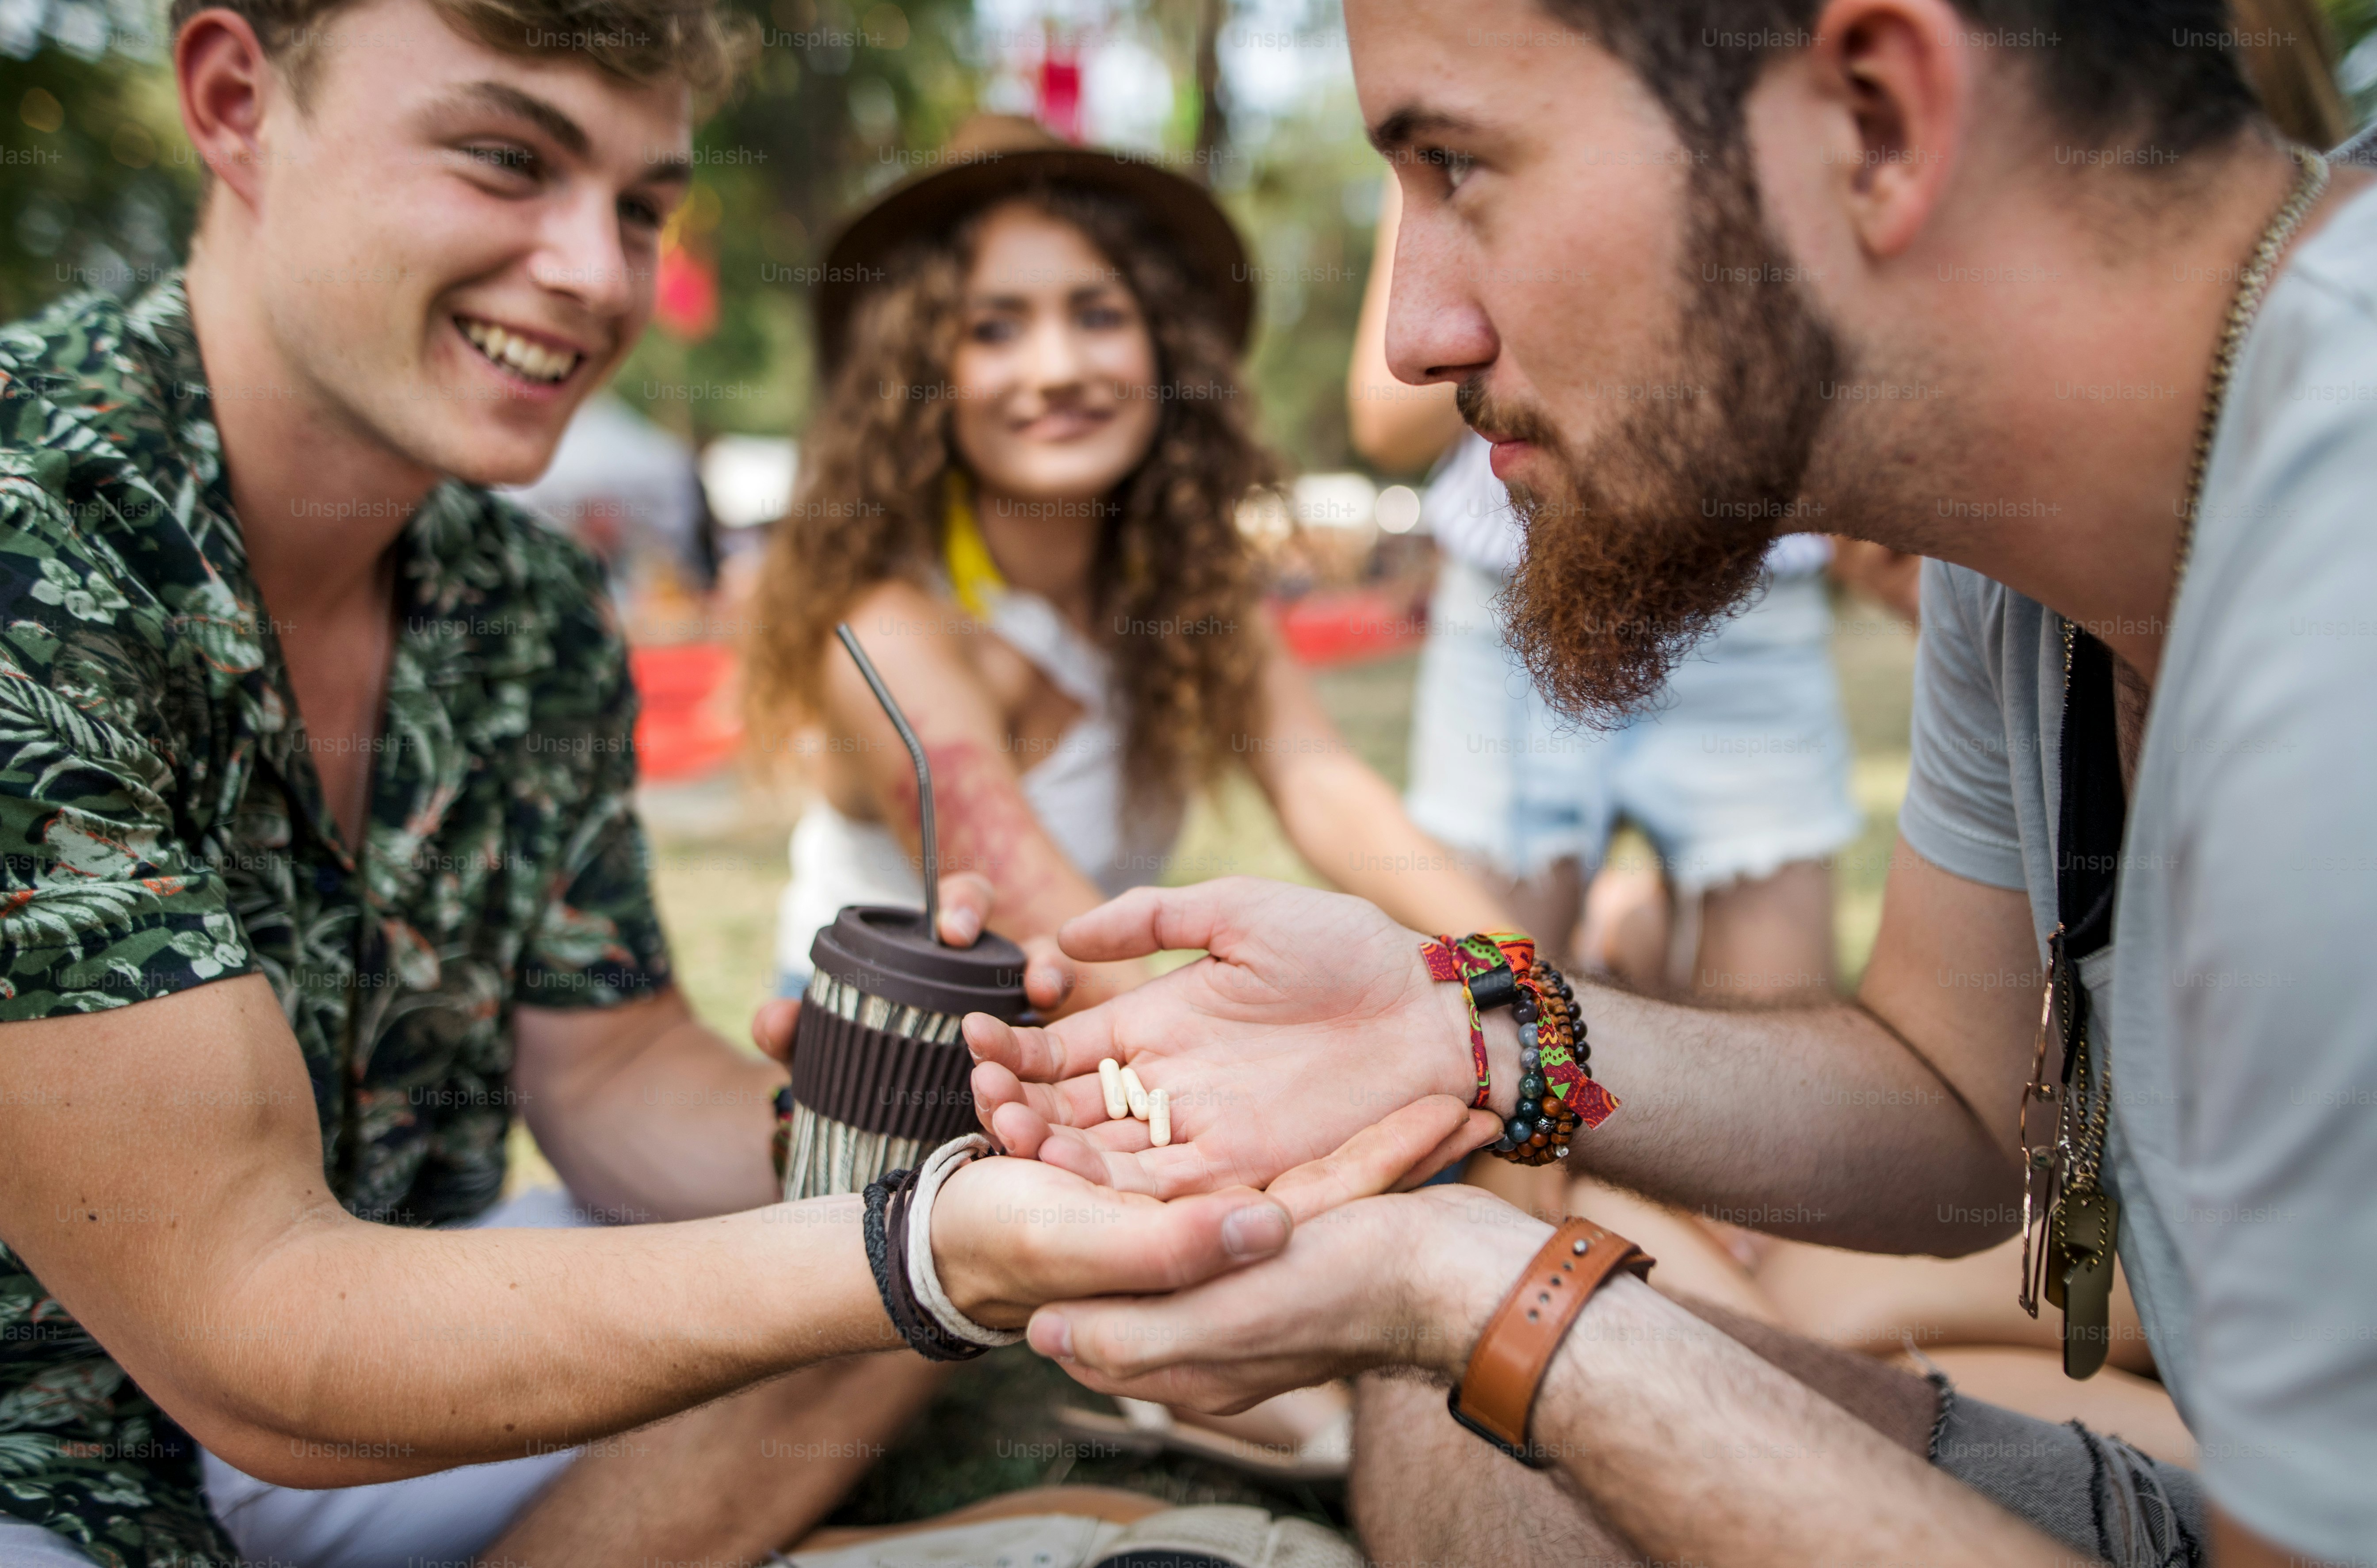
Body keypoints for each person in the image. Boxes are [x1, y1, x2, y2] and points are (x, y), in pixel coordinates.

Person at [965, 1, 2377, 1564]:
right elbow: (1957, 1100)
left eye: (1455, 165)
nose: (1412, 336)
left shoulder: (2335, 616)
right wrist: (1458, 1034)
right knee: (1475, 1411)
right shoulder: (2026, 530)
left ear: (1874, 119)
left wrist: (1480, 1301)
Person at [0, 3, 1355, 1562]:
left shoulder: (526, 597)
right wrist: (916, 1247)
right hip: (57, 1455)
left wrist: (913, 1138)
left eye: (642, 204)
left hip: (368, 1372)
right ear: (236, 102)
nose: (593, 273)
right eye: (508, 157)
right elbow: (249, 1315)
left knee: (859, 1305)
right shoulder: (32, 523)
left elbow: (612, 1070)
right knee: (877, 1293)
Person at [743, 115, 1512, 1019]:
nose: (1059, 367)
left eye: (1099, 314)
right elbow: (1073, 954)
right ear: (924, 373)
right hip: (894, 1077)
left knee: (1505, 1101)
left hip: (1092, 1046)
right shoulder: (888, 634)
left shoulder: (1182, 593)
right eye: (994, 329)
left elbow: (1324, 787)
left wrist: (1525, 977)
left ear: (1165, 349)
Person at [1349, 172, 1860, 1004]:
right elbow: (1385, 414)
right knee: (1494, 1022)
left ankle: (1626, 939)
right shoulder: (1449, 124)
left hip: (1752, 596)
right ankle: (1627, 945)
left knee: (1778, 1023)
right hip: (1516, 596)